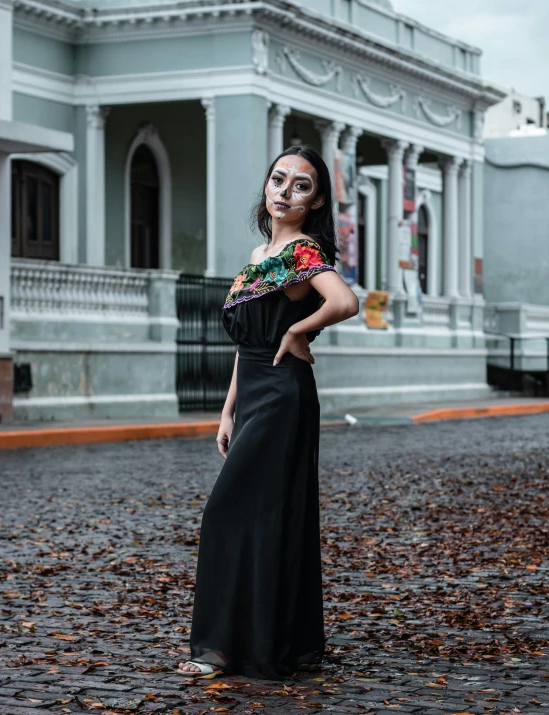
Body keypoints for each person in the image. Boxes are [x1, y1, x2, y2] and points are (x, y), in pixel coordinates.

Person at [177, 146, 360, 680]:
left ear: (316, 198)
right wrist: (227, 411)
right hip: (255, 393)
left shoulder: (302, 252)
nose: (284, 191)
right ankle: (256, 642)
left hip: (283, 395)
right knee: (258, 516)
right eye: (278, 179)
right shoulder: (260, 256)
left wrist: (298, 329)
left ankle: (226, 648)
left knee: (230, 513)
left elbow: (343, 302)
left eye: (300, 185)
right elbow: (245, 346)